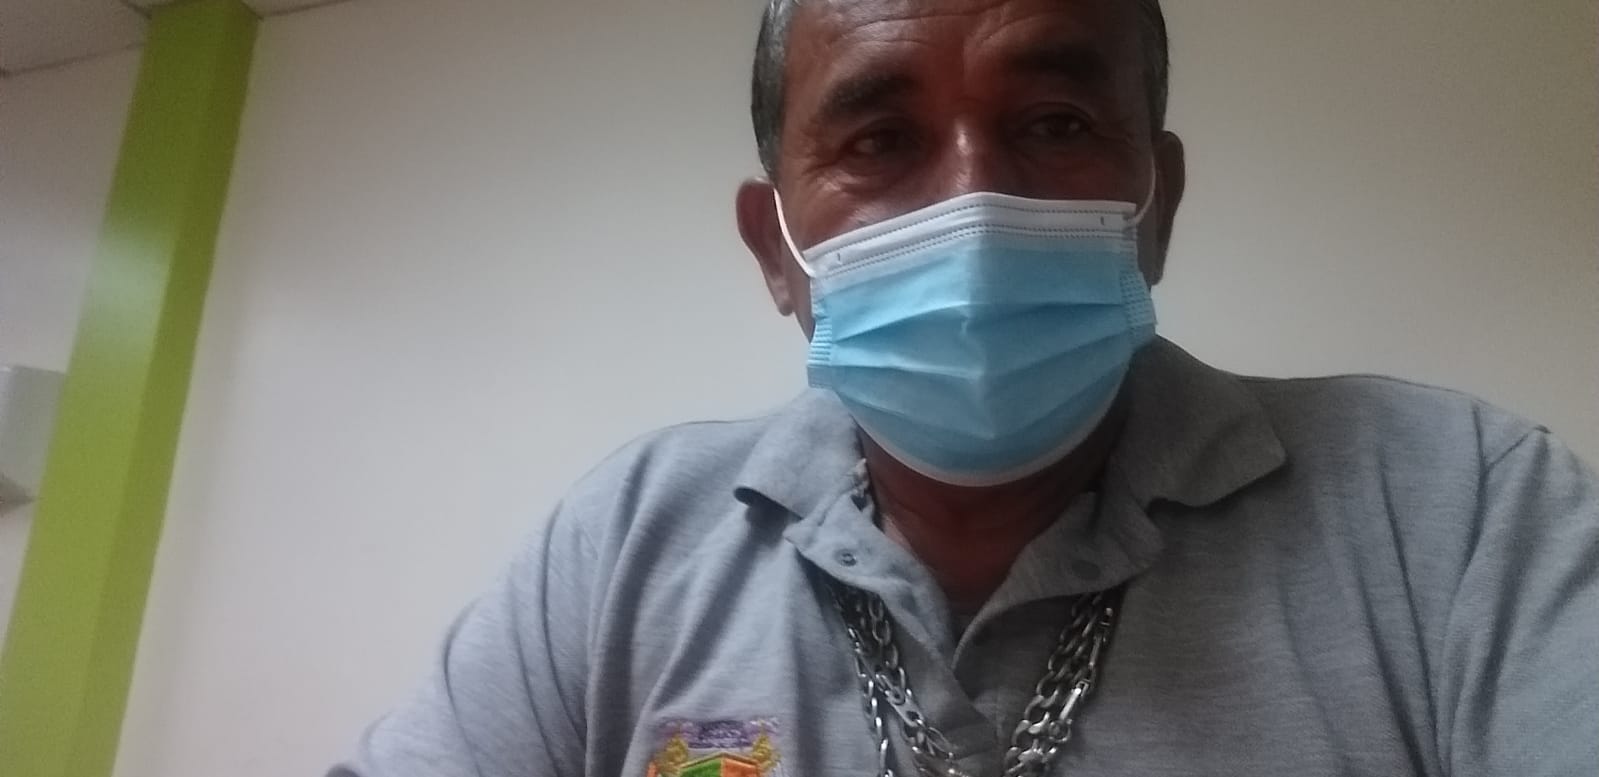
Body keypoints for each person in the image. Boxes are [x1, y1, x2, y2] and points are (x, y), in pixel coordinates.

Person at [331, 1, 1599, 775]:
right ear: (777, 251)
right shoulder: (626, 544)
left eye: (1053, 122)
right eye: (880, 140)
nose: (974, 204)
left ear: (1156, 205)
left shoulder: (1461, 513)